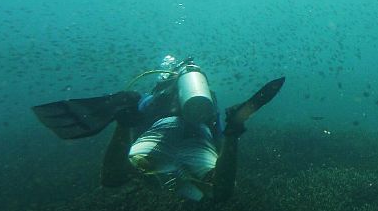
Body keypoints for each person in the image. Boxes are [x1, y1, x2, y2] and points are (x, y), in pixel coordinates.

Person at [32, 55, 285, 201]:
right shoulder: (208, 98)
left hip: (160, 132)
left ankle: (158, 173)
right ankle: (236, 127)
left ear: (167, 76)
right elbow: (215, 138)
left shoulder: (158, 92)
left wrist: (123, 119)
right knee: (220, 192)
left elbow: (138, 116)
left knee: (113, 178)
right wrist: (230, 134)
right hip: (201, 135)